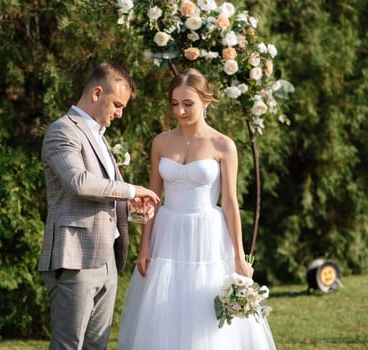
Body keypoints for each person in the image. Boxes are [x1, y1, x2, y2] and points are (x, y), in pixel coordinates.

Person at [118, 68, 276, 349]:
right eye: (174, 103)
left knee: (203, 308)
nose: (179, 111)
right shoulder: (161, 142)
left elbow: (229, 203)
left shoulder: (223, 145)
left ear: (206, 101)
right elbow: (153, 197)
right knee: (163, 310)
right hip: (167, 232)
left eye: (187, 104)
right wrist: (145, 247)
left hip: (208, 234)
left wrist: (240, 256)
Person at [39, 62, 160, 350]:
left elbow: (104, 196)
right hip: (75, 256)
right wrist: (132, 189)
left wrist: (132, 205)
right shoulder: (62, 131)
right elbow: (79, 182)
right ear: (96, 92)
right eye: (117, 104)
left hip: (108, 257)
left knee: (97, 345)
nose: (120, 113)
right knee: (69, 344)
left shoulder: (101, 139)